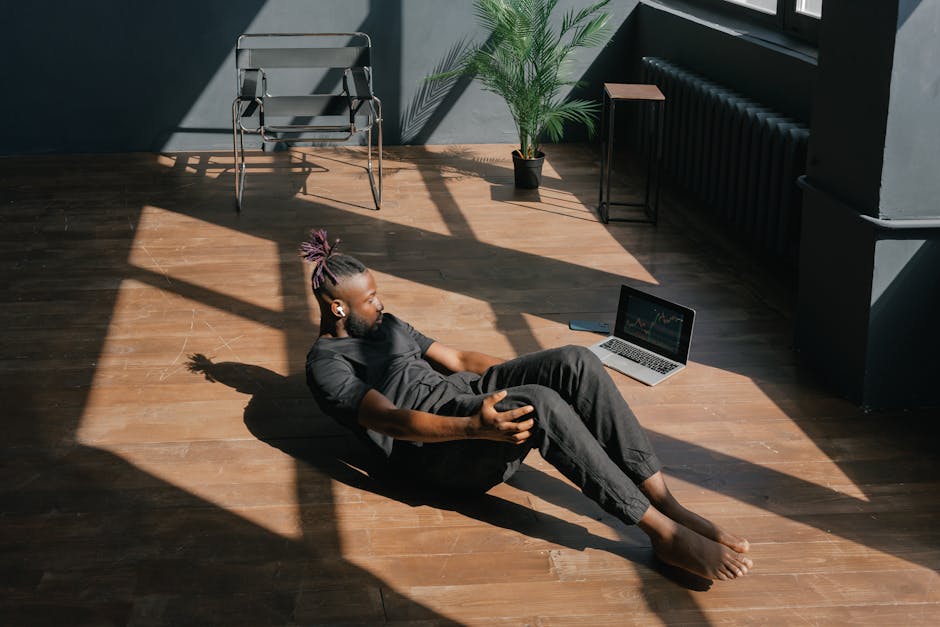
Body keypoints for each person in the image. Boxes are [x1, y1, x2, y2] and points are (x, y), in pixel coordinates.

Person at [302, 229, 753, 581]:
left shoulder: (389, 325)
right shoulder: (327, 366)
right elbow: (392, 421)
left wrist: (531, 369)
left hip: (464, 398)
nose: (381, 304)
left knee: (574, 361)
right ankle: (662, 532)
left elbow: (456, 359)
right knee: (539, 403)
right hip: (439, 449)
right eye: (370, 299)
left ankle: (666, 502)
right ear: (338, 309)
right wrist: (474, 427)